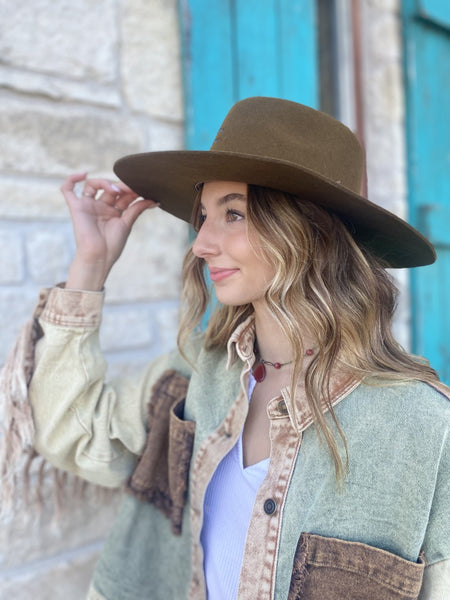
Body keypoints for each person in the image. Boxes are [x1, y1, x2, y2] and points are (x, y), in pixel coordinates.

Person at [17, 97, 450, 598]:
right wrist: (91, 264)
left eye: (234, 214)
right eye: (204, 216)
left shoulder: (425, 428)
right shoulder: (195, 373)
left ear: (310, 230)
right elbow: (72, 433)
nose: (201, 244)